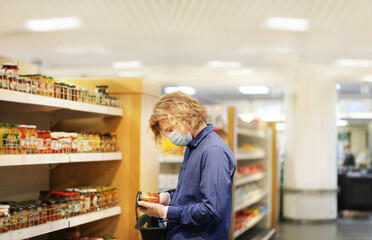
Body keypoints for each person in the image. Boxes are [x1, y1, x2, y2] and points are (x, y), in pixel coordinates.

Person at [138, 92, 236, 240]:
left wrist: (166, 212)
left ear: (189, 118)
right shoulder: (193, 147)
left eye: (171, 129)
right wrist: (168, 198)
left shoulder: (213, 150)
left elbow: (212, 209)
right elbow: (193, 195)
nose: (170, 136)